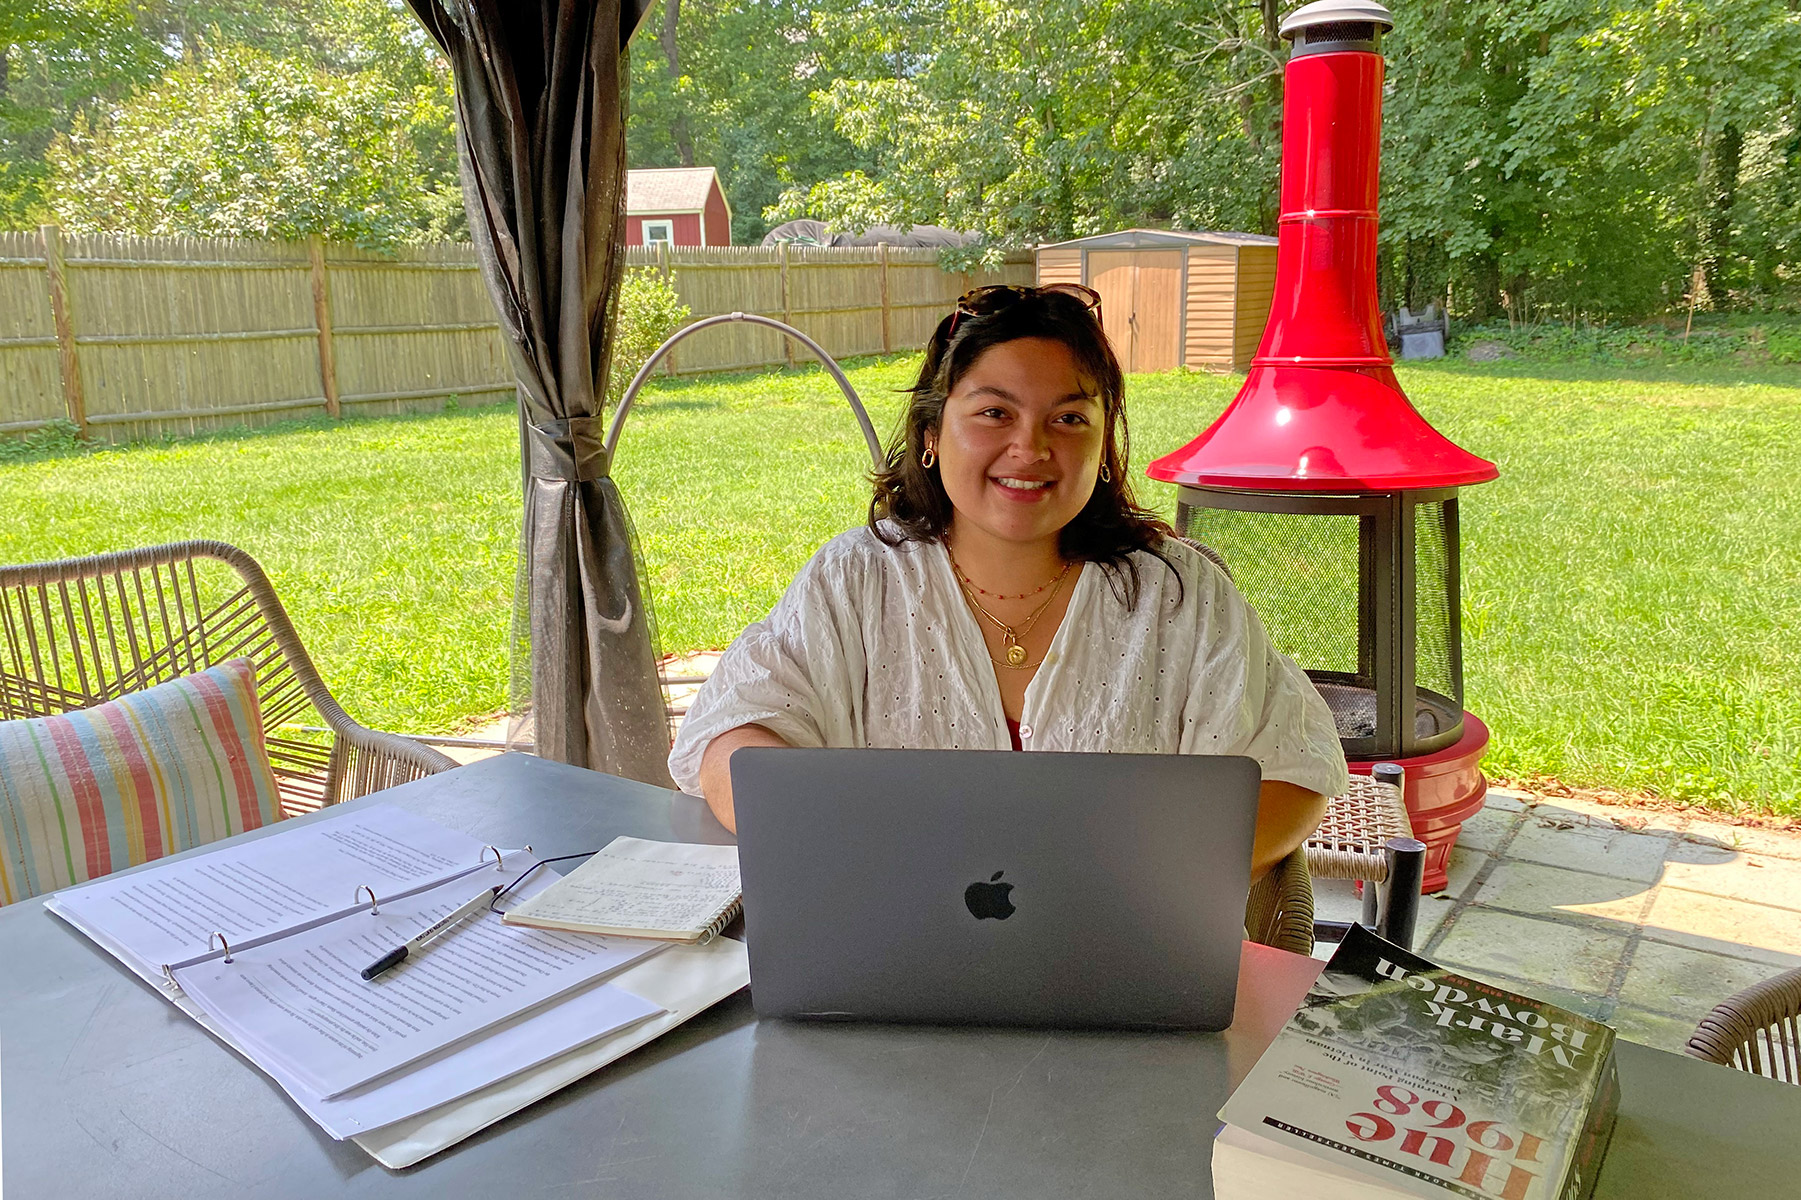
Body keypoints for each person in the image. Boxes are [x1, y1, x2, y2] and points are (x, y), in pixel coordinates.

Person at [668, 283, 1347, 880]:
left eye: (1068, 418)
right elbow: (733, 741)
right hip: (896, 949)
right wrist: (862, 860)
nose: (1031, 447)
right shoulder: (856, 580)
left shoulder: (1176, 595)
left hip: (1122, 953)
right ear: (932, 435)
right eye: (994, 412)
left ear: (1103, 446)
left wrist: (1142, 881)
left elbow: (1290, 769)